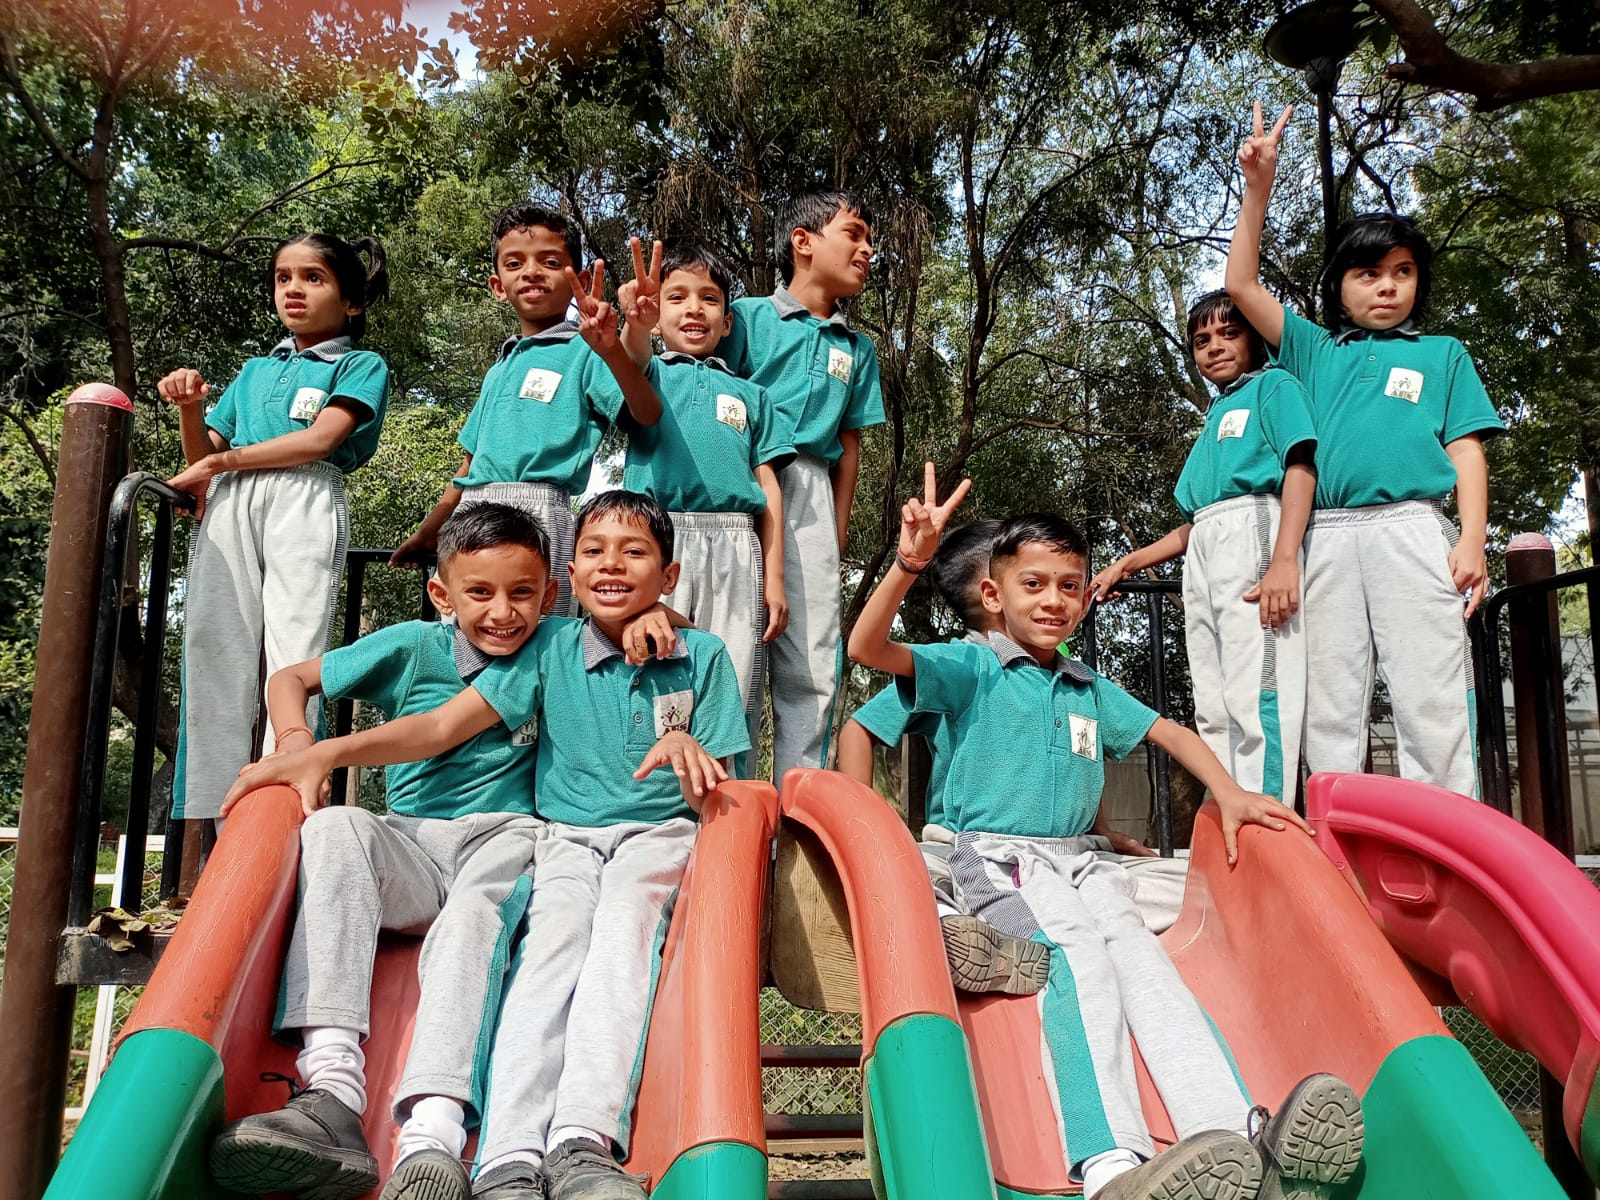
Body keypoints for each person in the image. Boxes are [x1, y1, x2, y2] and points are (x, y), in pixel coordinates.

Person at [848, 466, 1366, 1200]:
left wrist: (1232, 794)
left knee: (1151, 975)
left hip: (1083, 863)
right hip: (1000, 857)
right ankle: (1109, 1164)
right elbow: (868, 649)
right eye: (1034, 584)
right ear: (993, 596)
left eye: (1069, 584)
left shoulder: (1089, 686)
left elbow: (1170, 733)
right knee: (1079, 966)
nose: (1054, 600)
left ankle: (1237, 1136)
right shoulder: (971, 668)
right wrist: (909, 561)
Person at [207, 503, 685, 1200]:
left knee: (472, 921)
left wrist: (665, 616)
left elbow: (630, 617)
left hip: (508, 836)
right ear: (442, 594)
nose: (503, 613)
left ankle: (435, 1126)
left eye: (523, 593)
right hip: (411, 841)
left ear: (550, 594)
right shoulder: (412, 645)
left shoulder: (556, 646)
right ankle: (333, 1090)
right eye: (480, 593)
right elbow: (292, 680)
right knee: (335, 828)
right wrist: (294, 744)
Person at [444, 490, 748, 1200]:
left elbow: (719, 790)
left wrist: (683, 744)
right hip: (565, 841)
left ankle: (582, 1138)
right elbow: (461, 668)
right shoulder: (547, 645)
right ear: (570, 578)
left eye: (635, 551)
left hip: (660, 837)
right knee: (548, 953)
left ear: (668, 576)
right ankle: (507, 1156)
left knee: (621, 938)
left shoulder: (700, 655)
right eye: (593, 551)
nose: (612, 564)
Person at [1224, 103, 1505, 798]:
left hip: (1412, 528)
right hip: (1327, 534)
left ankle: (1446, 856)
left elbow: (1467, 450)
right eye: (1367, 273)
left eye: (1402, 272)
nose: (1386, 285)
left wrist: (1473, 539)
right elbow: (1240, 287)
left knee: (1432, 695)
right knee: (1330, 703)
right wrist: (1256, 189)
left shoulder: (1442, 354)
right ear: (1338, 287)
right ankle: (1339, 854)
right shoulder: (1314, 350)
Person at [160, 232, 391, 824]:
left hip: (303, 496)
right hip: (230, 503)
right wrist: (191, 408)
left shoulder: (360, 364)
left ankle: (280, 803)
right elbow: (201, 452)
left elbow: (320, 440)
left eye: (314, 278)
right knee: (216, 641)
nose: (294, 288)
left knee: (295, 644)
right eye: (284, 277)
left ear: (352, 302)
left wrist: (221, 461)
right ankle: (213, 807)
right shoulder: (256, 370)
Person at [1090, 291, 1317, 806]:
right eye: (1201, 340)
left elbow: (1301, 468)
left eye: (1229, 333)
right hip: (1209, 548)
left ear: (1257, 337)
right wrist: (1126, 563)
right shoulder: (1218, 414)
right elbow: (1195, 524)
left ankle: (1269, 820)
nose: (1213, 347)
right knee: (1213, 700)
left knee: (1258, 691)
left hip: (1256, 533)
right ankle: (1228, 807)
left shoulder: (1275, 387)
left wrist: (1284, 561)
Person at [392, 202, 663, 616]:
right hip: (473, 511)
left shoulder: (586, 350)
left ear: (582, 279)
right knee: (467, 633)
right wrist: (430, 530)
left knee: (538, 634)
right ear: (498, 285)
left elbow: (646, 413)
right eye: (515, 262)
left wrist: (614, 350)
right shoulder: (498, 369)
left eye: (550, 261)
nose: (532, 271)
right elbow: (468, 465)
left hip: (540, 508)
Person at [718, 189, 885, 778]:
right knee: (732, 650)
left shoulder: (856, 349)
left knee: (812, 663)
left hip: (811, 497)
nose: (868, 249)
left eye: (870, 240)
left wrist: (834, 537)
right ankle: (727, 813)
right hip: (738, 489)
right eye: (855, 234)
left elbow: (850, 449)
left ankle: (798, 810)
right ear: (804, 242)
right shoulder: (746, 318)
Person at [616, 239, 793, 772]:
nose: (694, 308)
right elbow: (630, 359)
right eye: (677, 297)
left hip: (738, 545)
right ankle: (649, 800)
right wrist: (633, 326)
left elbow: (769, 489)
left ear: (727, 321)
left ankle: (732, 814)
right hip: (660, 537)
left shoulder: (752, 396)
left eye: (709, 298)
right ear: (656, 311)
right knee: (653, 661)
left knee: (734, 676)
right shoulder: (644, 376)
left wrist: (776, 576)